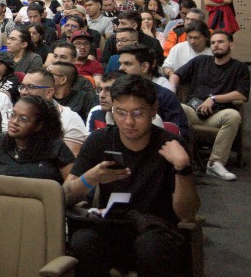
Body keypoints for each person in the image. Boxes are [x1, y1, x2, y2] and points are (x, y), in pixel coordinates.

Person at [64, 75, 198, 277]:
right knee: (83, 242)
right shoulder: (99, 141)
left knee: (150, 248)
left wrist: (182, 167)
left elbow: (187, 214)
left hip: (157, 231)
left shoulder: (171, 144)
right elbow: (64, 196)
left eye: (138, 113)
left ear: (153, 111)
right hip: (112, 227)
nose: (128, 121)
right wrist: (90, 178)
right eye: (120, 112)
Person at [170, 32, 249, 180]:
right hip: (192, 111)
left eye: (220, 42)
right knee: (174, 106)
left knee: (233, 115)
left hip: (218, 114)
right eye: (213, 43)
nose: (216, 45)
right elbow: (176, 74)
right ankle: (175, 158)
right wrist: (172, 89)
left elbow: (242, 94)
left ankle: (215, 163)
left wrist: (214, 98)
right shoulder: (200, 61)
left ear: (231, 45)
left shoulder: (240, 68)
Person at [0, 95, 75, 182]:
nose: (14, 121)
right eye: (13, 114)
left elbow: (70, 188)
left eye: (23, 119)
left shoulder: (56, 147)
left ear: (38, 125)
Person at [117, 45, 190, 138]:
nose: (121, 68)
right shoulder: (115, 94)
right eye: (120, 63)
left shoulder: (165, 96)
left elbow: (179, 133)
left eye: (127, 64)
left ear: (144, 67)